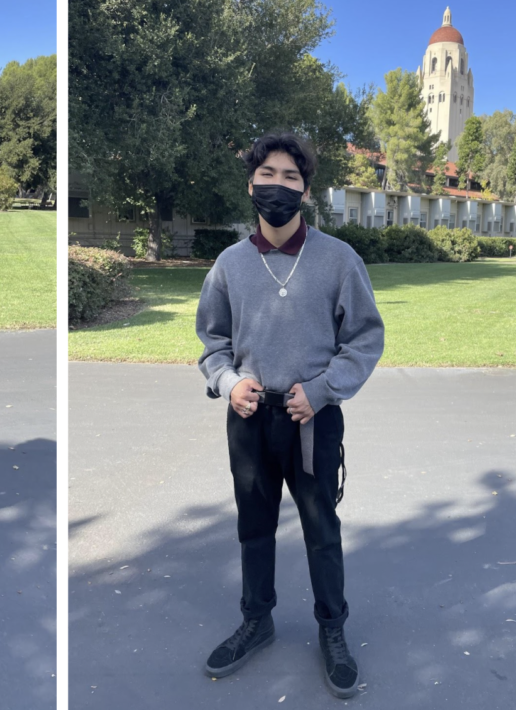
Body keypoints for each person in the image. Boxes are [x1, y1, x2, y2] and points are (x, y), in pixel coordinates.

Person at [194, 131, 385, 699]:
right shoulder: (229, 265)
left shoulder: (337, 259)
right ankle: (258, 619)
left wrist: (324, 390)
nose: (278, 187)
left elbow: (365, 339)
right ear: (251, 185)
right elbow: (212, 342)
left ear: (305, 190)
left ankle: (333, 629)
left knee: (321, 529)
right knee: (253, 526)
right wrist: (229, 383)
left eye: (291, 178)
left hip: (312, 421)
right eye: (268, 176)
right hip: (251, 420)